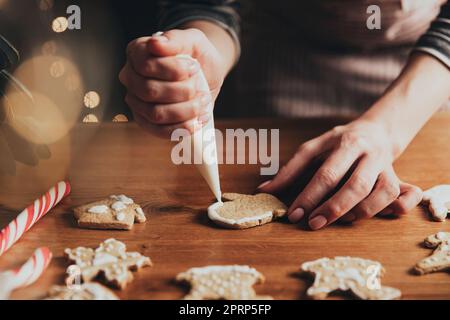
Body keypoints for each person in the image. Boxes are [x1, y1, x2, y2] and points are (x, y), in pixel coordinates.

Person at [119, 1, 450, 230]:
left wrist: (388, 128)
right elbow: (207, 5)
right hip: (280, 64)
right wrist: (199, 58)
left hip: (427, 83)